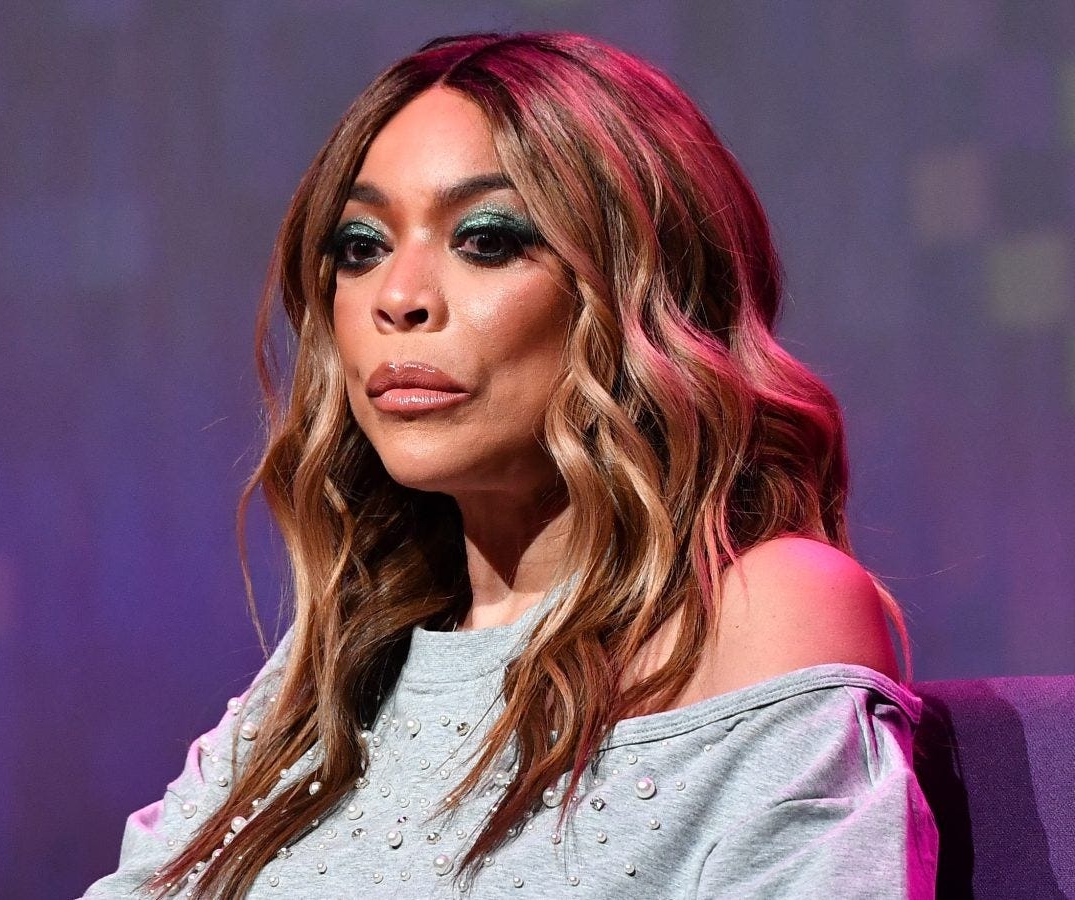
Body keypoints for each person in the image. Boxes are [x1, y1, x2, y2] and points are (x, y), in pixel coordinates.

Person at [85, 31, 939, 899]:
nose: (397, 298)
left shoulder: (764, 608)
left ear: (641, 288)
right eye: (361, 246)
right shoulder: (337, 666)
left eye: (487, 239)